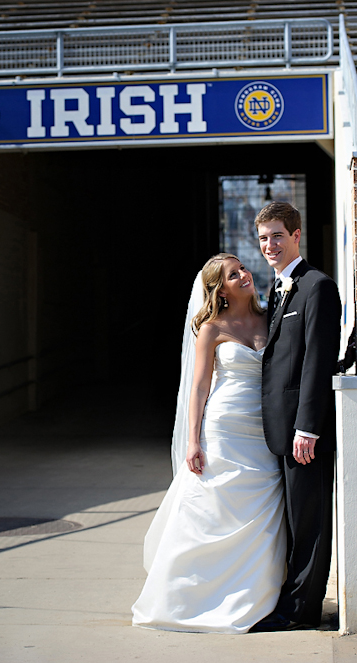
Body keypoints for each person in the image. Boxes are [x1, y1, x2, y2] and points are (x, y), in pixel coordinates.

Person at [132, 253, 286, 634]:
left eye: (243, 269)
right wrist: (192, 441)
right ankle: (188, 598)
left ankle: (254, 597)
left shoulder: (272, 318)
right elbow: (199, 386)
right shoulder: (211, 328)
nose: (244, 275)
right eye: (234, 275)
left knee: (261, 511)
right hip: (224, 428)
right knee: (211, 511)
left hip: (263, 429)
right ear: (220, 289)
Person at [251, 201, 341, 632]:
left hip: (306, 432)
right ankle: (287, 601)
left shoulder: (316, 286)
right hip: (280, 430)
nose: (270, 245)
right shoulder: (278, 288)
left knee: (309, 524)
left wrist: (307, 427)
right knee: (291, 522)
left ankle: (300, 613)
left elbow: (317, 363)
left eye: (278, 236)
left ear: (296, 235)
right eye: (264, 237)